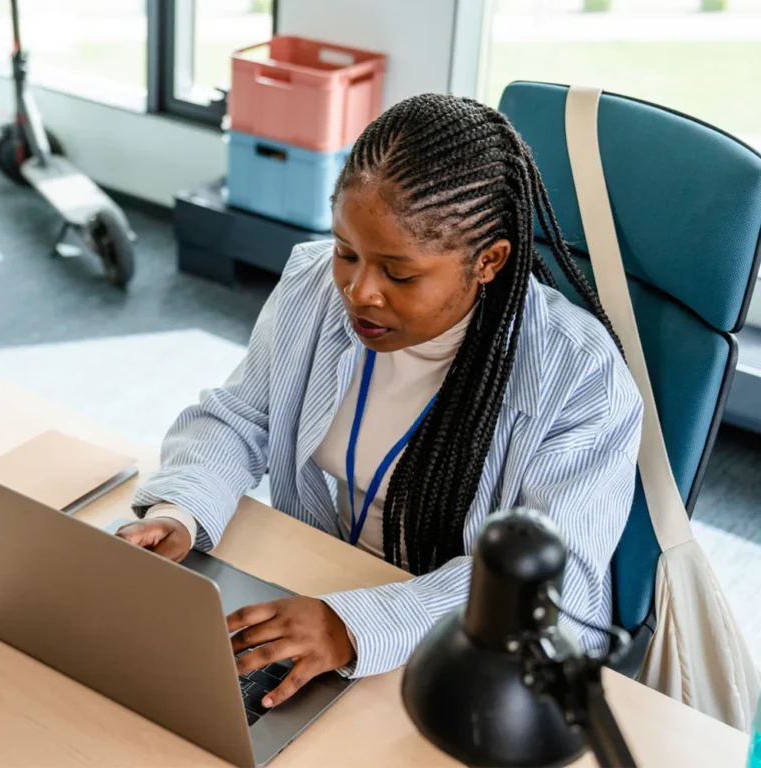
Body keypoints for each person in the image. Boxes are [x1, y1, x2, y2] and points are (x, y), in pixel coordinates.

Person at [117, 93, 643, 711]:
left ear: (489, 261)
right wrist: (181, 508)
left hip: (470, 659)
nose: (359, 291)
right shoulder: (316, 285)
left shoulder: (580, 380)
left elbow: (549, 591)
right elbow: (241, 416)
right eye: (347, 252)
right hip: (322, 589)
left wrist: (351, 627)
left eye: (399, 273)